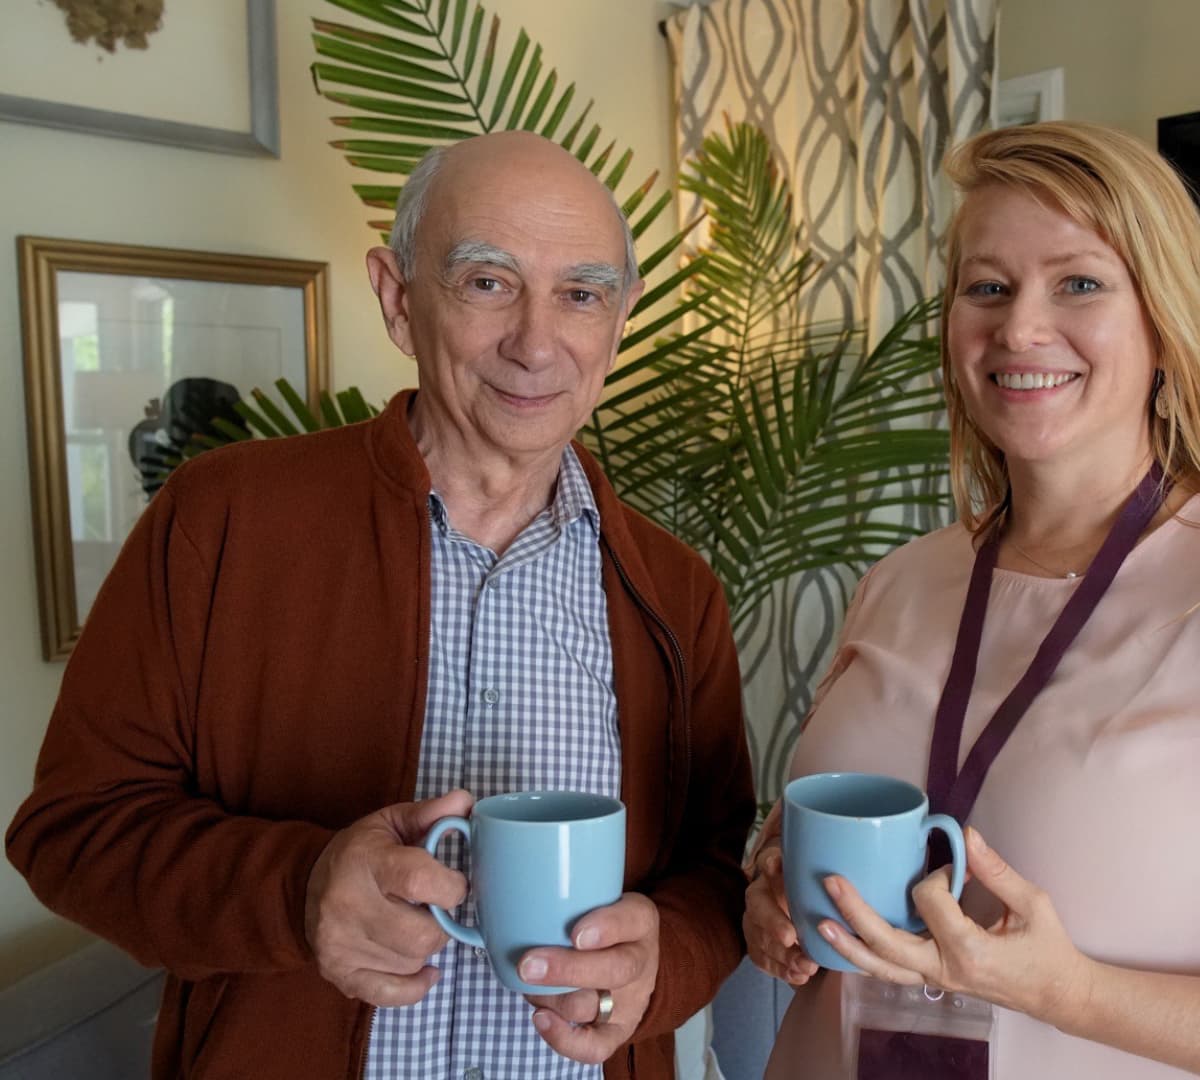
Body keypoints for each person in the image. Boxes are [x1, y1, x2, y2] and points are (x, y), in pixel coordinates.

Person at [6, 131, 754, 1080]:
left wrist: (665, 962)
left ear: (618, 318)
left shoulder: (675, 590)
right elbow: (71, 828)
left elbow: (718, 871)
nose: (536, 341)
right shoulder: (221, 518)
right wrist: (299, 891)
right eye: (487, 282)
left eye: (581, 292)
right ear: (400, 300)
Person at [744, 120, 1200, 1078]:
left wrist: (1067, 992)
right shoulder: (902, 582)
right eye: (986, 287)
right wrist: (773, 898)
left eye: (1079, 282)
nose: (1020, 327)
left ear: (1163, 319)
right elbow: (808, 863)